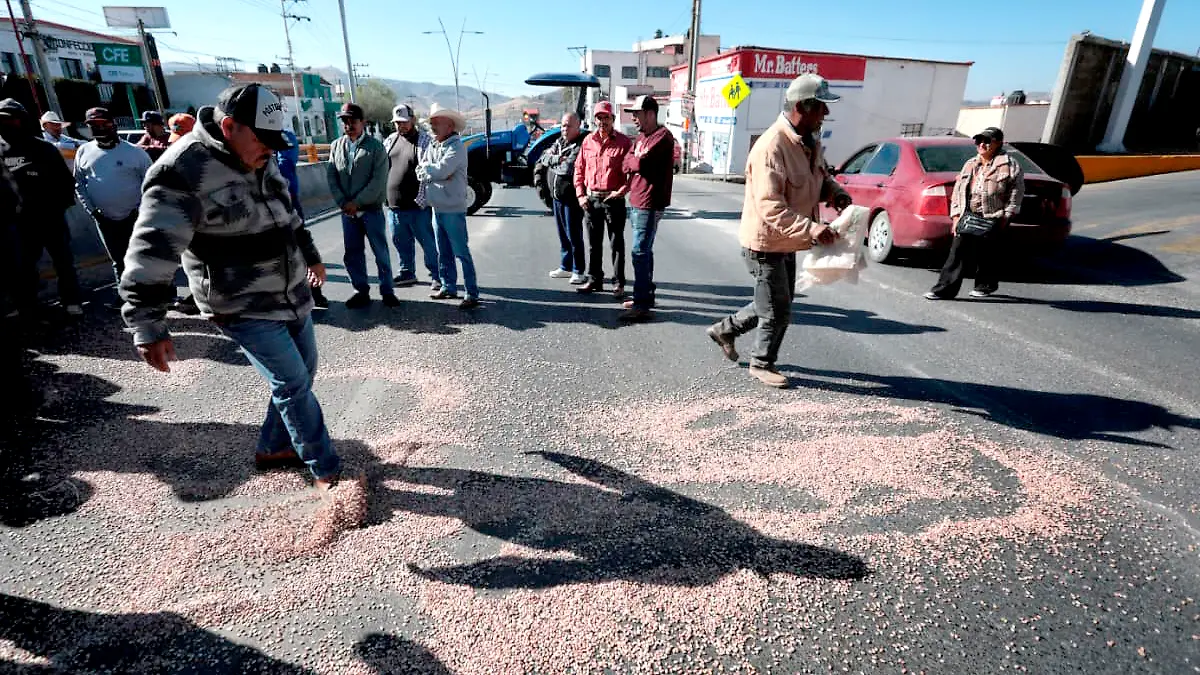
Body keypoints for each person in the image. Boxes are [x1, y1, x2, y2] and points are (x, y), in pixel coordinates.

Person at [120, 83, 341, 490]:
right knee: (292, 384)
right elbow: (152, 250)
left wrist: (310, 255)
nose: (270, 151)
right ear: (229, 127)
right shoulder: (182, 170)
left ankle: (274, 447)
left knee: (304, 374)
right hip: (240, 302)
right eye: (262, 140)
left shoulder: (260, 155)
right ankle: (327, 470)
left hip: (290, 291)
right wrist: (148, 324)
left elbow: (287, 211)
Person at [705, 74, 851, 389]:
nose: (825, 113)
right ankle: (761, 363)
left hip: (787, 240)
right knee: (778, 310)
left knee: (771, 302)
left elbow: (820, 178)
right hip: (765, 243)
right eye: (821, 107)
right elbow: (771, 207)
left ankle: (725, 329)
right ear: (801, 106)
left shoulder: (809, 142)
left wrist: (835, 193)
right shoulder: (772, 147)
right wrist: (813, 229)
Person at [0, 98, 83, 318]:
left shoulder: (44, 149)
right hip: (18, 223)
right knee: (23, 267)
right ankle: (25, 304)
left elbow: (66, 184)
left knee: (63, 261)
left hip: (51, 218)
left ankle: (72, 301)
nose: (6, 124)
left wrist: (56, 208)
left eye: (11, 119)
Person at [924, 126, 1024, 301]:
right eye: (979, 141)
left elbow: (1016, 192)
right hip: (968, 214)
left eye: (987, 141)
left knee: (988, 253)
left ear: (998, 143)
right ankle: (944, 289)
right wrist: (956, 217)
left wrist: (1007, 215)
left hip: (993, 216)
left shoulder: (1009, 165)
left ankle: (985, 285)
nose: (982, 144)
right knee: (957, 252)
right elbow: (958, 191)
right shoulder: (970, 164)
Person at [73, 107, 153, 299]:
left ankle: (153, 295)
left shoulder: (135, 153)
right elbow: (79, 184)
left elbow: (152, 183)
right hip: (104, 219)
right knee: (118, 260)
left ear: (113, 124)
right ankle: (126, 297)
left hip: (135, 217)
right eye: (94, 125)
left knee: (142, 257)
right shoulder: (83, 151)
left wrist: (143, 211)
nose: (99, 128)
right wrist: (92, 210)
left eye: (103, 123)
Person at [327, 102, 396, 309]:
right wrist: (343, 202)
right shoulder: (336, 146)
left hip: (370, 210)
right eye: (345, 122)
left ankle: (387, 291)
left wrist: (356, 203)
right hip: (347, 213)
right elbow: (332, 176)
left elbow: (378, 180)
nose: (349, 125)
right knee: (353, 253)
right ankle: (360, 290)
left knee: (380, 252)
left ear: (363, 122)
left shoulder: (376, 148)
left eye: (353, 121)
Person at [619, 95, 676, 322]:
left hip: (650, 203)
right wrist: (635, 161)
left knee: (639, 252)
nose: (633, 118)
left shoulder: (663, 137)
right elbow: (626, 161)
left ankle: (641, 304)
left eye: (637, 113)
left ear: (651, 114)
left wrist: (636, 162)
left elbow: (641, 163)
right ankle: (645, 295)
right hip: (636, 201)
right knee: (644, 252)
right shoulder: (642, 137)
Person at [417, 104, 478, 309]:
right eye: (432, 122)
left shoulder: (456, 147)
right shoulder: (436, 145)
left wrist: (429, 171)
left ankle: (471, 292)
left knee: (460, 251)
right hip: (438, 208)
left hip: (452, 209)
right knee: (443, 252)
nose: (432, 125)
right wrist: (430, 170)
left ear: (449, 125)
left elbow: (441, 170)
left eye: (436, 122)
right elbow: (425, 169)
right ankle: (448, 286)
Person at [572, 100, 631, 298]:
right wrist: (581, 195)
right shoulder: (588, 141)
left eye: (606, 117)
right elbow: (579, 170)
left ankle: (618, 282)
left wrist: (622, 191)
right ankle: (594, 279)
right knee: (593, 243)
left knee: (616, 243)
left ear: (612, 119)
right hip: (591, 200)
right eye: (599, 117)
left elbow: (631, 174)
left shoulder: (624, 142)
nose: (602, 121)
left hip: (613, 200)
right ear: (595, 120)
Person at [383, 103, 440, 291]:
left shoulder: (425, 141)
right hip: (394, 206)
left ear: (413, 120)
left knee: (428, 243)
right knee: (400, 242)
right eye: (398, 123)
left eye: (405, 122)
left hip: (418, 205)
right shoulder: (390, 140)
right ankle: (407, 272)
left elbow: (432, 167)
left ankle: (436, 275)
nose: (401, 126)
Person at [277, 125, 327, 308]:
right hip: (264, 203)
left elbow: (285, 165)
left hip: (287, 199)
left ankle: (315, 293)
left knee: (300, 246)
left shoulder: (285, 136)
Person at [539, 112, 587, 284]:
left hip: (571, 198)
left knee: (574, 234)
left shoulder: (580, 145)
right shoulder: (559, 142)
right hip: (557, 197)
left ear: (578, 126)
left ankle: (578, 270)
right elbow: (544, 158)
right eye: (563, 125)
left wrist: (554, 163)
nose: (564, 129)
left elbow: (568, 168)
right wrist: (557, 158)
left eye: (569, 126)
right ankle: (566, 266)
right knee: (562, 235)